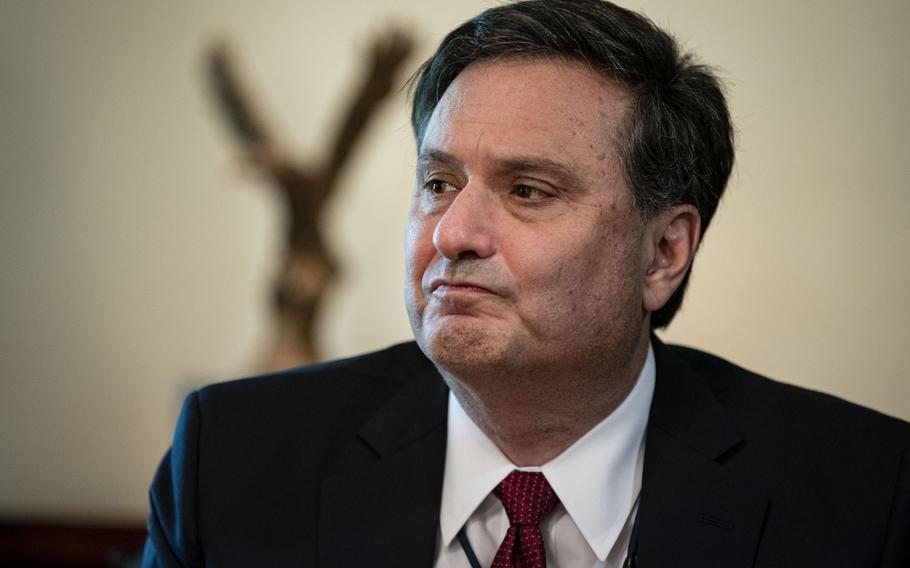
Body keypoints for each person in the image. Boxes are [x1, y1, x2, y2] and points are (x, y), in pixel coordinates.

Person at [142, 1, 910, 566]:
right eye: (438, 183)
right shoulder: (234, 460)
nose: (452, 234)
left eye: (529, 191)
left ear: (664, 253)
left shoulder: (864, 493)